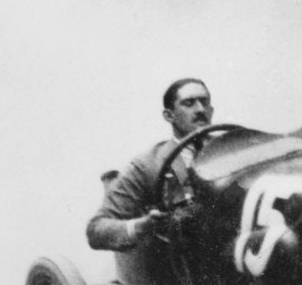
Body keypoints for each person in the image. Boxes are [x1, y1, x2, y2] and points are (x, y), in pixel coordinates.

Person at [87, 78, 213, 251]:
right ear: (169, 115)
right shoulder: (147, 165)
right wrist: (142, 226)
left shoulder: (233, 150)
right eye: (189, 103)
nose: (200, 109)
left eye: (204, 102)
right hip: (183, 262)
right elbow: (96, 230)